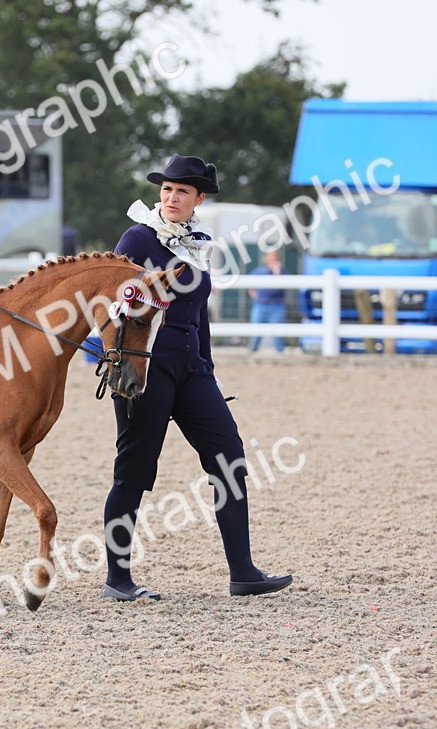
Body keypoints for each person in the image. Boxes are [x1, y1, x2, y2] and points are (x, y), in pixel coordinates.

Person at [101, 153, 293, 602]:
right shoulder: (138, 237)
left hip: (191, 368)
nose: (172, 197)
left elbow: (198, 314)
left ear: (198, 199)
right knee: (134, 470)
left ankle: (243, 573)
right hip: (146, 365)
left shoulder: (198, 244)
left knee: (229, 456)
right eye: (167, 189)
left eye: (182, 191)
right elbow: (110, 304)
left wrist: (208, 368)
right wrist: (118, 362)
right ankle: (117, 578)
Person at [248, 250, 287, 354]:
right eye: (271, 258)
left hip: (277, 306)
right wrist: (254, 295)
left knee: (278, 333)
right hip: (261, 305)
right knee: (256, 332)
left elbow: (284, 286)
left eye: (276, 258)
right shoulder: (259, 271)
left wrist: (277, 273)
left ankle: (280, 353)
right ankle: (252, 352)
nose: (274, 260)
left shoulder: (283, 272)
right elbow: (250, 284)